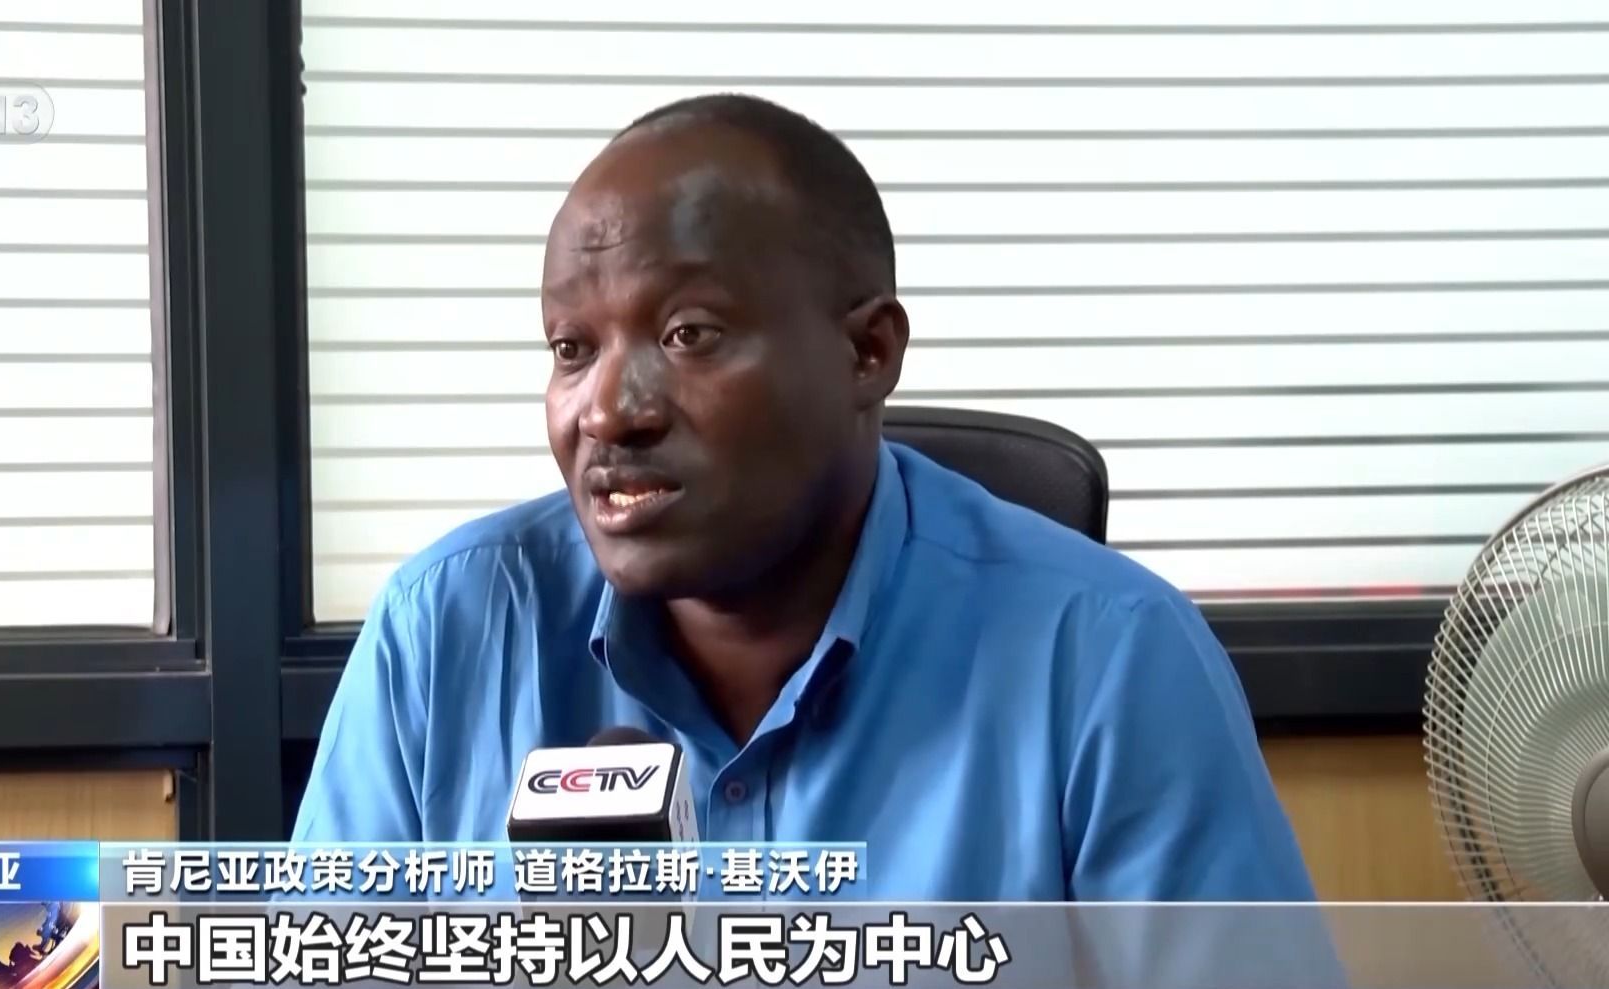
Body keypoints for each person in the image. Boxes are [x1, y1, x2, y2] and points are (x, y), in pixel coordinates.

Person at [293, 92, 1318, 901]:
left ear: (867, 351)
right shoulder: (445, 634)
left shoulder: (1106, 659)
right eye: (572, 348)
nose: (607, 409)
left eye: (688, 333)